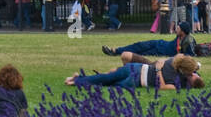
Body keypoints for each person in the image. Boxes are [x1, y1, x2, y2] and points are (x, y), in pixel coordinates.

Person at [66, 54, 203, 92]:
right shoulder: (178, 70)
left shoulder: (175, 62)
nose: (193, 73)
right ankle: (76, 81)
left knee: (108, 79)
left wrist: (159, 69)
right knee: (108, 82)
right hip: (137, 76)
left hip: (137, 71)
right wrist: (158, 70)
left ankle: (79, 79)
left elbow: (161, 87)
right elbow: (161, 86)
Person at [103, 21, 198, 59]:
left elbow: (191, 55)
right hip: (158, 43)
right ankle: (115, 50)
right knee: (138, 45)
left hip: (159, 52)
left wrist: (180, 55)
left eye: (178, 28)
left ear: (183, 31)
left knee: (140, 54)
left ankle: (119, 53)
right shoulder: (180, 36)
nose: (176, 29)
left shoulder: (188, 41)